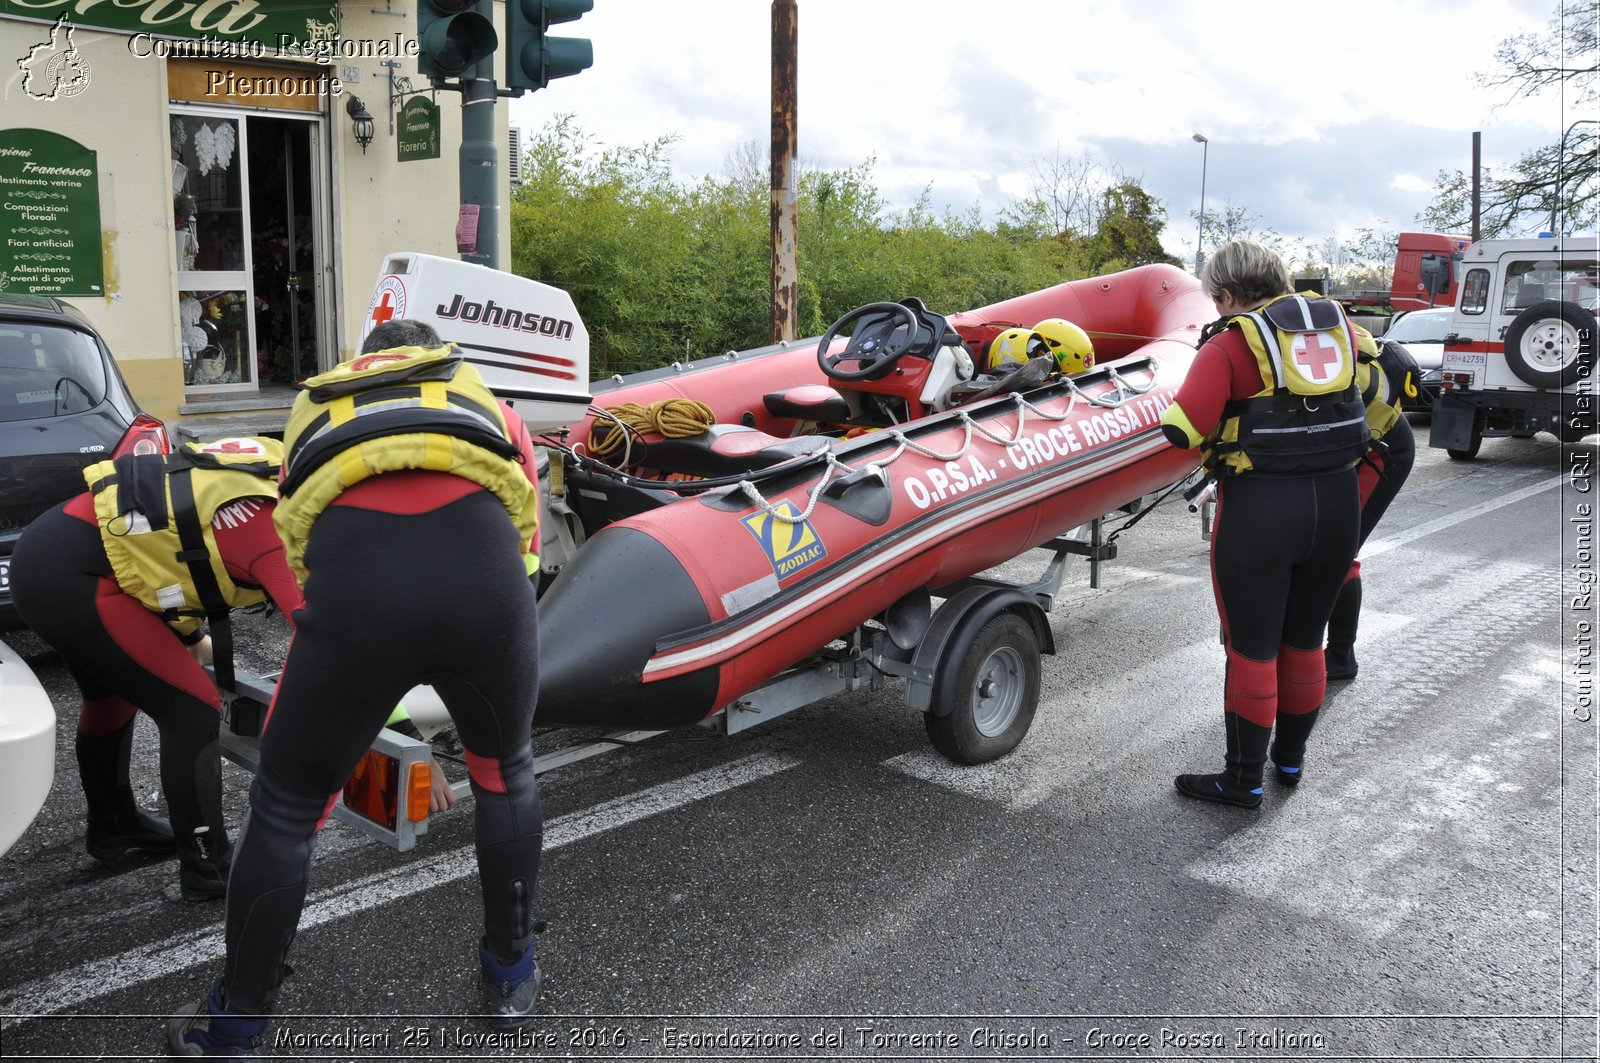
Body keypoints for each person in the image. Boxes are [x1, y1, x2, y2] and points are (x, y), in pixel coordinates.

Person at [168, 319, 545, 1056]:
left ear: (365, 362)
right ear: (436, 354)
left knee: (284, 810)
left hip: (357, 595)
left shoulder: (316, 405)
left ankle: (237, 1022)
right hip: (486, 586)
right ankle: (511, 970)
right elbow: (527, 542)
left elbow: (298, 545)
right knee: (506, 773)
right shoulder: (487, 401)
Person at [9, 437, 300, 900]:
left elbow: (172, 549)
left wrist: (189, 637)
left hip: (56, 552)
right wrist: (395, 718)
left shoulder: (282, 474)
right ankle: (210, 869)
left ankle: (115, 824)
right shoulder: (277, 537)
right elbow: (325, 646)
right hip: (73, 574)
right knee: (190, 710)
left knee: (111, 697)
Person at [1159, 240, 1369, 807]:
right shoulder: (1341, 331)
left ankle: (1242, 780)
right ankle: (1291, 764)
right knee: (1304, 642)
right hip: (1338, 502)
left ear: (1226, 296)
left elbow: (1183, 430)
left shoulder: (1229, 344)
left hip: (1261, 511)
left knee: (1251, 650)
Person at [1323, 327, 1420, 684]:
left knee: (1338, 553)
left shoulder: (1292, 335)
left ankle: (1340, 656)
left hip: (1382, 452)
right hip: (1354, 447)